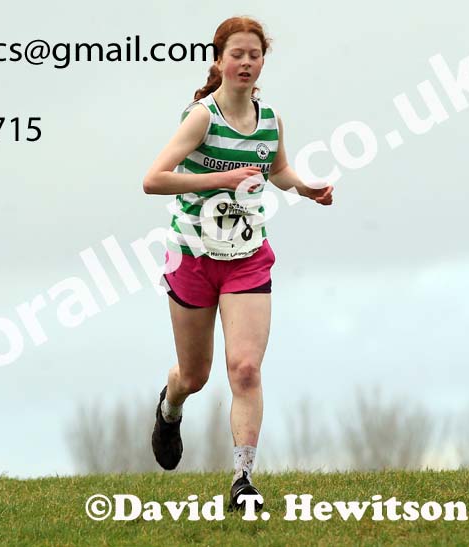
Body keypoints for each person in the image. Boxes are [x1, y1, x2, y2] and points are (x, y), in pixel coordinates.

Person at [143, 17, 334, 511]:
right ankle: (170, 407)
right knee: (195, 374)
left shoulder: (270, 117)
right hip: (191, 255)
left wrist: (306, 187)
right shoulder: (201, 118)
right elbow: (154, 179)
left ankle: (243, 480)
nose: (246, 62)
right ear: (218, 60)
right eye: (237, 54)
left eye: (254, 54)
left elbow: (278, 169)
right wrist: (221, 179)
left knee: (245, 369)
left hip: (247, 257)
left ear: (262, 61)